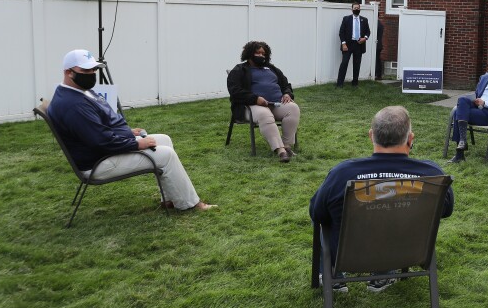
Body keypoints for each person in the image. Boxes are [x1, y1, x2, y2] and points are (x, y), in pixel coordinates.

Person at [309, 106, 454, 293]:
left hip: (348, 256)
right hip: (408, 253)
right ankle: (383, 275)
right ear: (410, 138)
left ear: (371, 136)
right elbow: (447, 209)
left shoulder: (343, 173)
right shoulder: (431, 174)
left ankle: (334, 278)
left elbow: (317, 213)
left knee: (324, 217)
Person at [47, 49, 213, 211]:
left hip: (103, 152)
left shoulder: (76, 92)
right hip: (98, 163)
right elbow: (101, 141)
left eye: (93, 69)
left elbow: (98, 128)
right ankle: (190, 204)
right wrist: (137, 145)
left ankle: (171, 200)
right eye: (85, 70)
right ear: (68, 72)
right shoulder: (74, 105)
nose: (91, 73)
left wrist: (128, 133)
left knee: (164, 139)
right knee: (166, 155)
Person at [227, 41, 300, 162]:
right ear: (249, 54)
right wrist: (255, 98)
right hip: (250, 106)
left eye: (263, 53)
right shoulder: (240, 70)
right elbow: (235, 91)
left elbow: (286, 84)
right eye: (258, 53)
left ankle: (287, 146)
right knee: (264, 114)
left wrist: (287, 93)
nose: (261, 55)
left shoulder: (272, 69)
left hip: (276, 104)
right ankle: (280, 150)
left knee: (293, 108)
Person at [336, 3, 371, 87]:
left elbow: (368, 31)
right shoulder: (346, 19)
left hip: (359, 45)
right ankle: (340, 83)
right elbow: (341, 32)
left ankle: (355, 83)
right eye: (355, 8)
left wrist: (365, 38)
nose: (356, 9)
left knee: (357, 64)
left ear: (360, 9)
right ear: (351, 9)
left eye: (358, 8)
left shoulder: (364, 20)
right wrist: (343, 44)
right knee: (344, 63)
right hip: (348, 45)